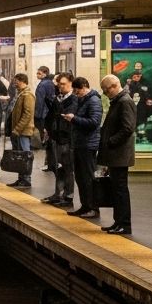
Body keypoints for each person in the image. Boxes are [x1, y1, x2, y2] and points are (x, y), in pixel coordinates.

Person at [97, 74, 136, 234]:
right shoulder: (118, 101)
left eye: (106, 90)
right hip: (115, 155)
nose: (105, 94)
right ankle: (117, 221)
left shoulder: (125, 101)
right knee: (116, 189)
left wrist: (111, 141)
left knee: (120, 190)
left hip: (120, 154)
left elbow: (127, 128)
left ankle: (124, 224)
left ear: (114, 86)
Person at [65, 77, 103, 218]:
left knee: (88, 177)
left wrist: (74, 119)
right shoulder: (82, 100)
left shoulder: (94, 101)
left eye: (77, 90)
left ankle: (93, 207)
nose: (76, 93)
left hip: (88, 144)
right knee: (80, 177)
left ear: (85, 87)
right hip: (80, 143)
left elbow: (94, 122)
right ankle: (85, 205)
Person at [42, 73, 76, 207]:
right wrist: (47, 129)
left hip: (67, 139)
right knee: (58, 167)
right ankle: (58, 193)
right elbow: (51, 116)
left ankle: (68, 196)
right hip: (55, 137)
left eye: (63, 84)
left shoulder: (74, 99)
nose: (60, 87)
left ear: (71, 84)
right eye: (58, 84)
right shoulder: (58, 98)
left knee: (67, 168)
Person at [6, 73, 36, 188]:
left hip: (23, 131)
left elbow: (27, 114)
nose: (14, 83)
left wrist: (17, 129)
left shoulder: (27, 95)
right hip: (18, 131)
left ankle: (26, 179)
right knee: (19, 155)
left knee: (24, 155)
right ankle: (21, 178)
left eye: (16, 81)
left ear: (22, 81)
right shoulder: (20, 94)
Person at [35, 66, 57, 172]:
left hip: (43, 115)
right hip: (49, 114)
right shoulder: (50, 83)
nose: (37, 75)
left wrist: (37, 115)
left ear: (45, 73)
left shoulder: (42, 85)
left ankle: (49, 163)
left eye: (39, 73)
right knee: (50, 139)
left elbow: (39, 101)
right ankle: (50, 163)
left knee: (46, 139)